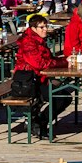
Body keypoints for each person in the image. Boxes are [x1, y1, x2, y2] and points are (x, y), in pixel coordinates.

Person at [12, 12, 66, 140]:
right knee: (61, 97)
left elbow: (48, 60)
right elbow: (39, 64)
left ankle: (39, 122)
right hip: (28, 82)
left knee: (63, 95)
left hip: (38, 79)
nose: (45, 29)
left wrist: (62, 61)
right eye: (42, 27)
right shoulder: (28, 42)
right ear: (33, 29)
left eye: (46, 26)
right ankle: (39, 122)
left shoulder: (39, 40)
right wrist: (62, 62)